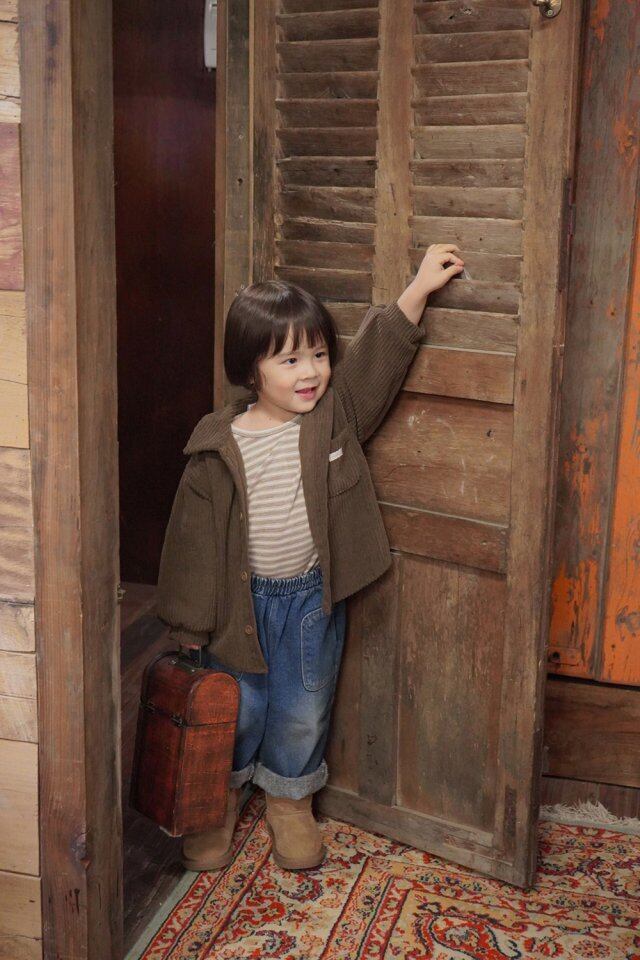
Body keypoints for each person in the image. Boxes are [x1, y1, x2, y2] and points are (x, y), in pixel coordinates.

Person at [155, 243, 465, 872]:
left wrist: (418, 290)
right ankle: (218, 798)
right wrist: (189, 625)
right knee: (238, 707)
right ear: (250, 371)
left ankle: (289, 800)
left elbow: (374, 366)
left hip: (306, 600)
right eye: (290, 359)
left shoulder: (330, 420)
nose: (311, 372)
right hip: (235, 607)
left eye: (319, 355)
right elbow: (191, 547)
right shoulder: (216, 448)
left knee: (303, 707)